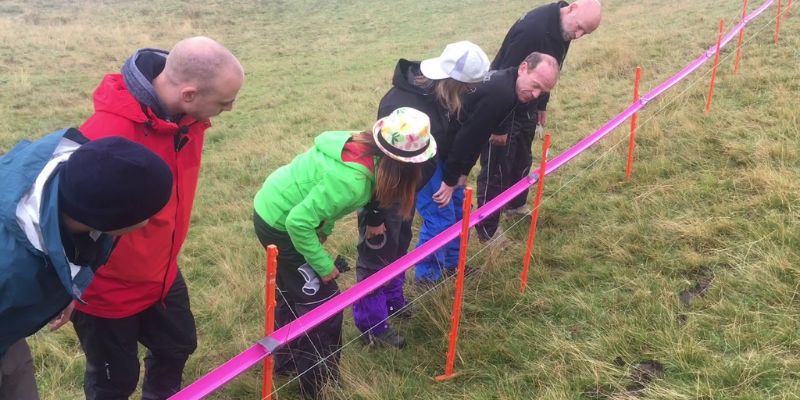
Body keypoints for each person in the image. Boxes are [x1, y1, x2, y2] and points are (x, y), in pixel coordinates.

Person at [49, 37, 245, 400]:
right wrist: (66, 285)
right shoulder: (104, 138)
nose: (230, 109)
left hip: (163, 273)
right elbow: (61, 220)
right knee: (113, 383)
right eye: (224, 102)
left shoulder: (186, 118)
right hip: (107, 292)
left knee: (177, 346)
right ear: (188, 94)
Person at [253, 107, 436, 399]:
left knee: (294, 294)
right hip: (279, 223)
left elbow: (322, 195)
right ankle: (319, 385)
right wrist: (324, 266)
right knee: (323, 307)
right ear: (403, 167)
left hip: (274, 204)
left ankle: (286, 362)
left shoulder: (360, 147)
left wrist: (323, 228)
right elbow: (298, 222)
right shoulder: (353, 182)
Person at [0, 130, 173, 400]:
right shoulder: (13, 270)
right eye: (148, 215)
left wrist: (66, 283)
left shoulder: (79, 183)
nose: (152, 220)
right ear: (115, 222)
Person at [352, 41, 490, 348]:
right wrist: (374, 215)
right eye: (466, 88)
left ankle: (392, 300)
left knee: (399, 245)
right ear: (453, 83)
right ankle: (371, 325)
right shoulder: (399, 105)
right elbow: (382, 167)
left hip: (409, 187)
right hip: (387, 192)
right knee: (377, 257)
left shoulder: (438, 96)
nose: (467, 95)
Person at [415, 51, 560, 283]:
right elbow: (468, 137)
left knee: (460, 213)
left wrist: (461, 174)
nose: (535, 95)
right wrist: (451, 179)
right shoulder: (499, 94)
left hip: (450, 154)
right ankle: (427, 279)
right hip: (432, 154)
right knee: (440, 217)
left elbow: (475, 136)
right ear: (523, 67)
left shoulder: (509, 84)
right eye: (534, 85)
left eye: (542, 91)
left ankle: (453, 266)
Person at [476, 0, 602, 241]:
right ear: (572, 8)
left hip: (528, 104)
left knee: (522, 156)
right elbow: (504, 81)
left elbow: (551, 68)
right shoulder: (532, 31)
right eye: (579, 28)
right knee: (496, 167)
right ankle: (487, 229)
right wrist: (499, 126)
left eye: (585, 32)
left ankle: (515, 204)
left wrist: (541, 104)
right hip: (502, 108)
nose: (578, 35)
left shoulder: (563, 30)